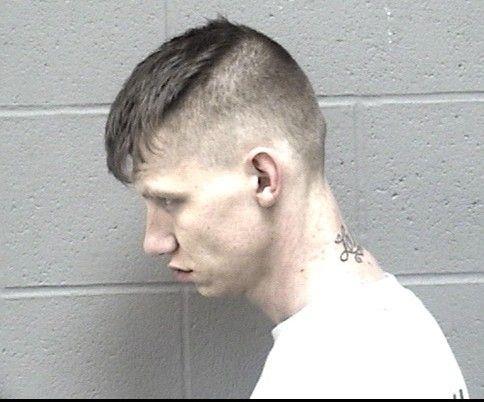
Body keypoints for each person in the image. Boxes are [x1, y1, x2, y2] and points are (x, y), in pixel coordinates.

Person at [104, 15, 469, 399]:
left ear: (264, 178)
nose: (154, 242)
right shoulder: (392, 321)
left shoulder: (326, 374)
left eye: (169, 201)